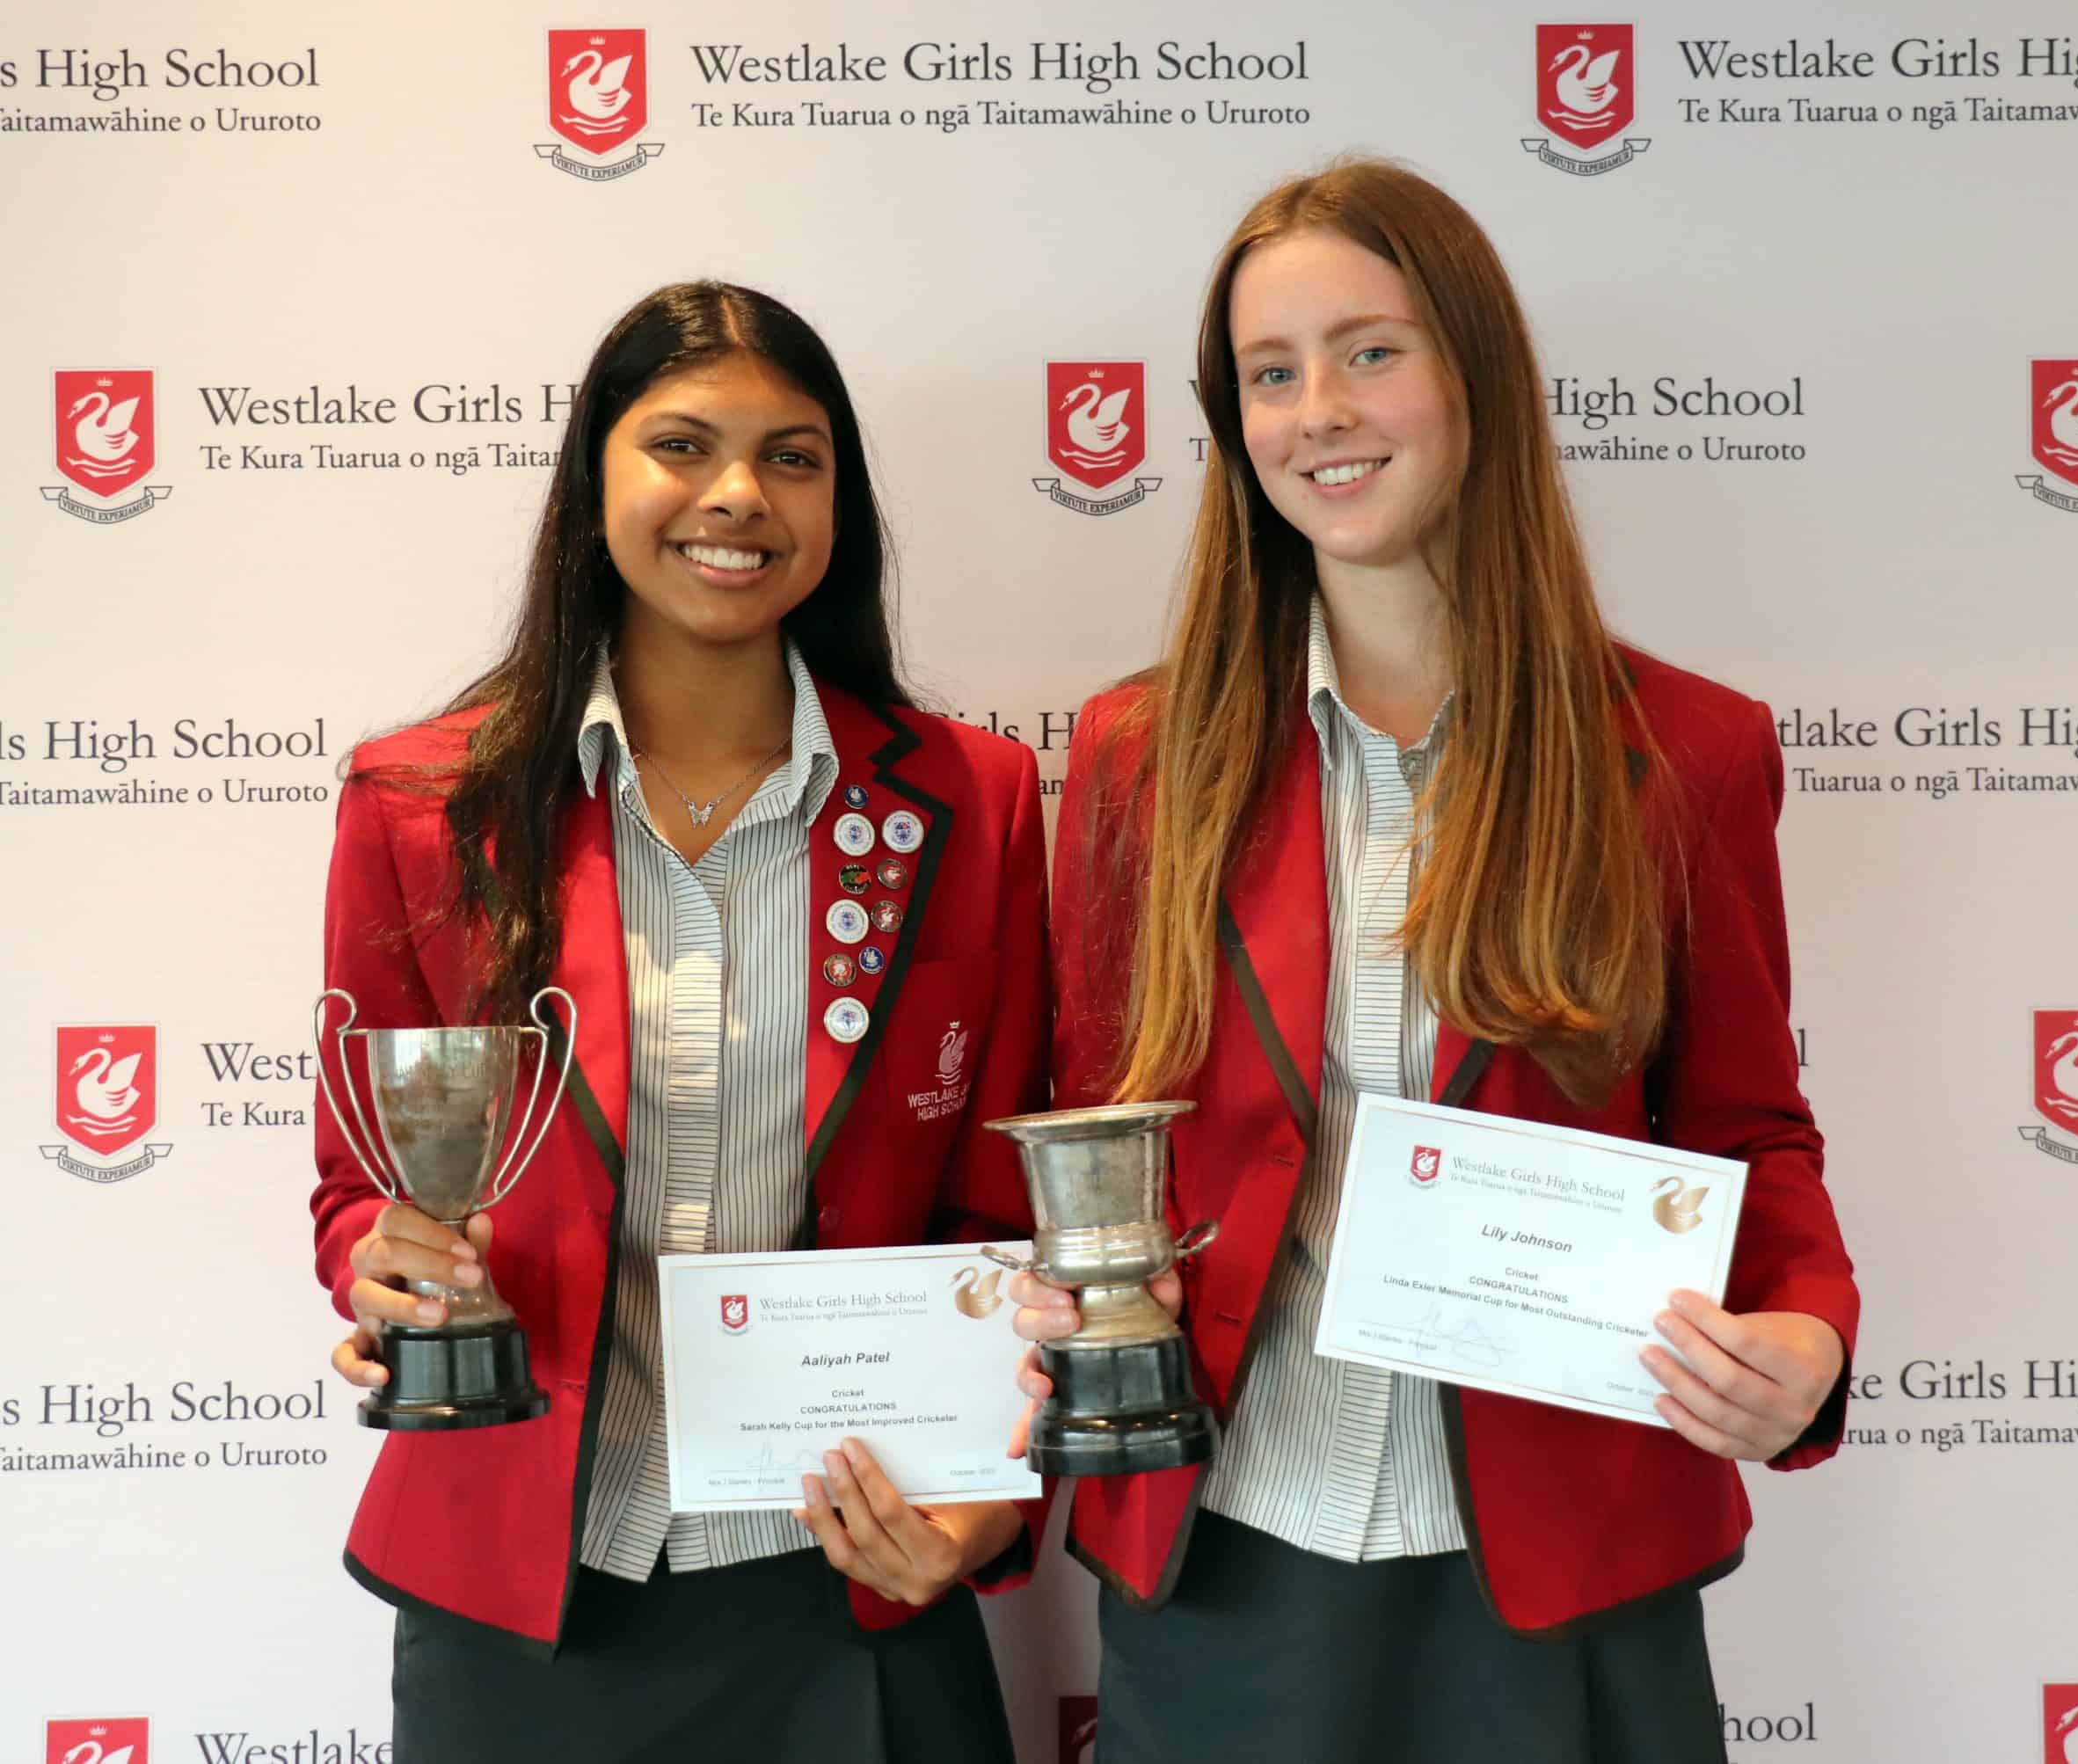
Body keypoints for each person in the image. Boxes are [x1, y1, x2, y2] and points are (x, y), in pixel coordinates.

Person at [1008, 161, 1859, 1763]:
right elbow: (1099, 1142)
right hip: (1228, 1557)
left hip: (1564, 1567)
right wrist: (1066, 1279)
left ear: (1477, 372)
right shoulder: (1138, 758)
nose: (1319, 411)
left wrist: (1804, 1333)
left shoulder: (1681, 753)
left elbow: (1750, 1128)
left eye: (1370, 351)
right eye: (1271, 373)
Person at [310, 281, 1049, 1761]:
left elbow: (1007, 1207)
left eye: (793, 456)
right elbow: (357, 1188)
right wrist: (379, 1267)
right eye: (683, 445)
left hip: (854, 1564)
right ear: (595, 482)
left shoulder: (973, 799)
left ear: (839, 503)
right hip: (524, 1576)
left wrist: (984, 1492)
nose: (738, 495)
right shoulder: (422, 805)